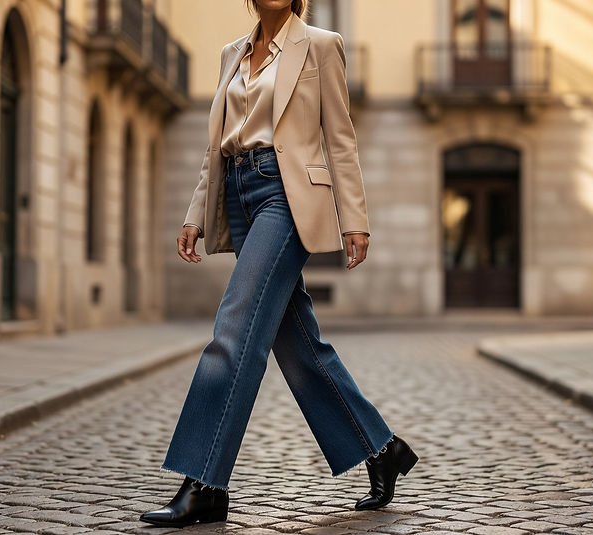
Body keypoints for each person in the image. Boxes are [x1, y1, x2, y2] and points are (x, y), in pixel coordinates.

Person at [139, 0, 418, 527]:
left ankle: (203, 482)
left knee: (234, 331)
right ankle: (381, 449)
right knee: (296, 343)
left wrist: (354, 217)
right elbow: (212, 150)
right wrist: (195, 212)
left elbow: (340, 137)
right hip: (240, 196)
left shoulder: (319, 45)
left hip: (285, 198)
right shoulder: (231, 55)